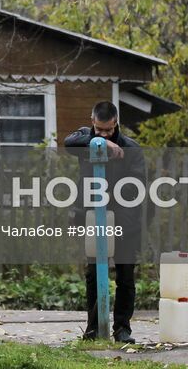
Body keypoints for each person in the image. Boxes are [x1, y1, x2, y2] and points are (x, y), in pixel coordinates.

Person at [64, 101, 145, 344]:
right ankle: (94, 328)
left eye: (108, 131)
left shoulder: (131, 148)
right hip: (92, 218)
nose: (103, 134)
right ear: (92, 121)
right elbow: (68, 142)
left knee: (125, 275)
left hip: (124, 220)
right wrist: (100, 142)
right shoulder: (84, 140)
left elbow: (138, 186)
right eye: (99, 130)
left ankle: (122, 329)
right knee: (93, 273)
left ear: (116, 123)